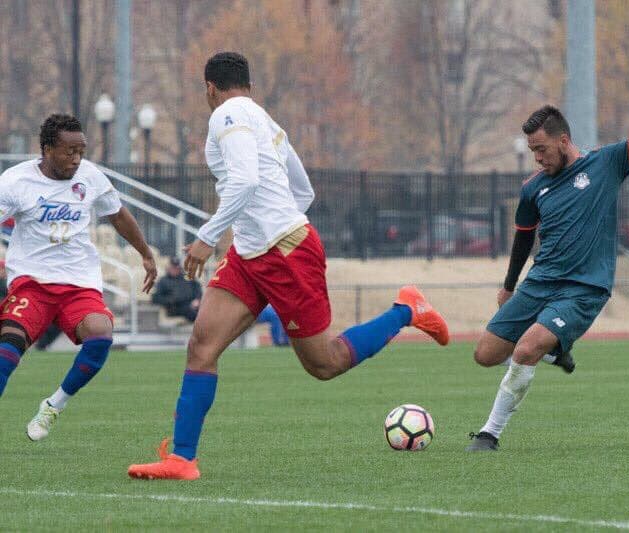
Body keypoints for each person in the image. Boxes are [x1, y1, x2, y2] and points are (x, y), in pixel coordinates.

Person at [128, 52, 448, 480]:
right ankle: (182, 459)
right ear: (250, 84)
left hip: (284, 254)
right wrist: (262, 229)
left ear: (209, 88)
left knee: (324, 364)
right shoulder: (266, 122)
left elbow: (244, 181)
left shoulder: (226, 114)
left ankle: (406, 309)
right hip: (252, 253)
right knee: (201, 347)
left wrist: (209, 238)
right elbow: (304, 189)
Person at [467, 66, 629, 451]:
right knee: (485, 355)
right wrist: (508, 287)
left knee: (525, 349)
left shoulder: (606, 164)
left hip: (584, 287)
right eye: (531, 151)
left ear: (563, 140)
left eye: (541, 149)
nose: (537, 158)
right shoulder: (533, 189)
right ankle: (556, 349)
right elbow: (523, 239)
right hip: (540, 283)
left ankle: (489, 434)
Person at [0, 114, 157, 441]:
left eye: (81, 151)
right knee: (7, 349)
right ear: (46, 149)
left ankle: (54, 405)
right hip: (33, 283)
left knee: (100, 338)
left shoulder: (90, 177)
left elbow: (118, 215)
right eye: (68, 151)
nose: (76, 158)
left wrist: (145, 253)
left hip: (79, 285)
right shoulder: (15, 182)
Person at [151, 257, 202, 322]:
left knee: (205, 309)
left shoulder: (188, 277)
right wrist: (171, 300)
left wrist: (197, 299)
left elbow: (198, 289)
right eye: (173, 268)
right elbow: (156, 298)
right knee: (192, 312)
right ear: (168, 268)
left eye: (177, 268)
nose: (174, 270)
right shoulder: (163, 281)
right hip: (175, 307)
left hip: (192, 304)